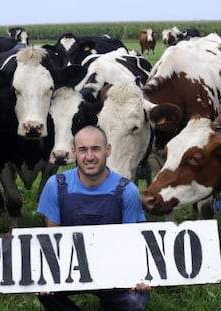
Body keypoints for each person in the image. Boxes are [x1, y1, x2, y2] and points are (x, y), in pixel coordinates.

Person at [36, 125, 151, 311]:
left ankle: (109, 303)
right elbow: (52, 240)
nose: (89, 157)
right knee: (41, 286)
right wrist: (48, 276)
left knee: (135, 301)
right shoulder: (55, 186)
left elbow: (133, 242)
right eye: (83, 150)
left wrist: (138, 277)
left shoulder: (127, 190)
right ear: (74, 152)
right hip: (70, 270)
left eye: (96, 149)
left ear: (108, 150)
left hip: (115, 271)